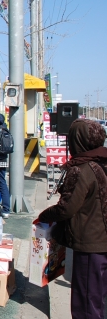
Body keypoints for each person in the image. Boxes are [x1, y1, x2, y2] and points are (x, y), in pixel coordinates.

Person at [37, 119, 107, 319]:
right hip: (102, 240)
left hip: (90, 242)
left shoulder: (81, 169)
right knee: (98, 296)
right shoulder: (103, 161)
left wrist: (45, 215)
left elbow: (66, 209)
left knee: (86, 300)